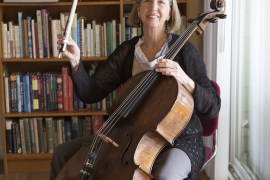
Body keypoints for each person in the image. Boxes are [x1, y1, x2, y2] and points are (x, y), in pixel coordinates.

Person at [51, 0, 221, 179]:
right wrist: (76, 61)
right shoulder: (127, 52)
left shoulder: (186, 51)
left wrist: (185, 79)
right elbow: (91, 92)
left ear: (170, 13)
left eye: (161, 2)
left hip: (178, 139)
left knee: (166, 175)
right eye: (147, 0)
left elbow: (213, 106)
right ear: (138, 10)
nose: (153, 7)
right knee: (62, 154)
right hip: (128, 137)